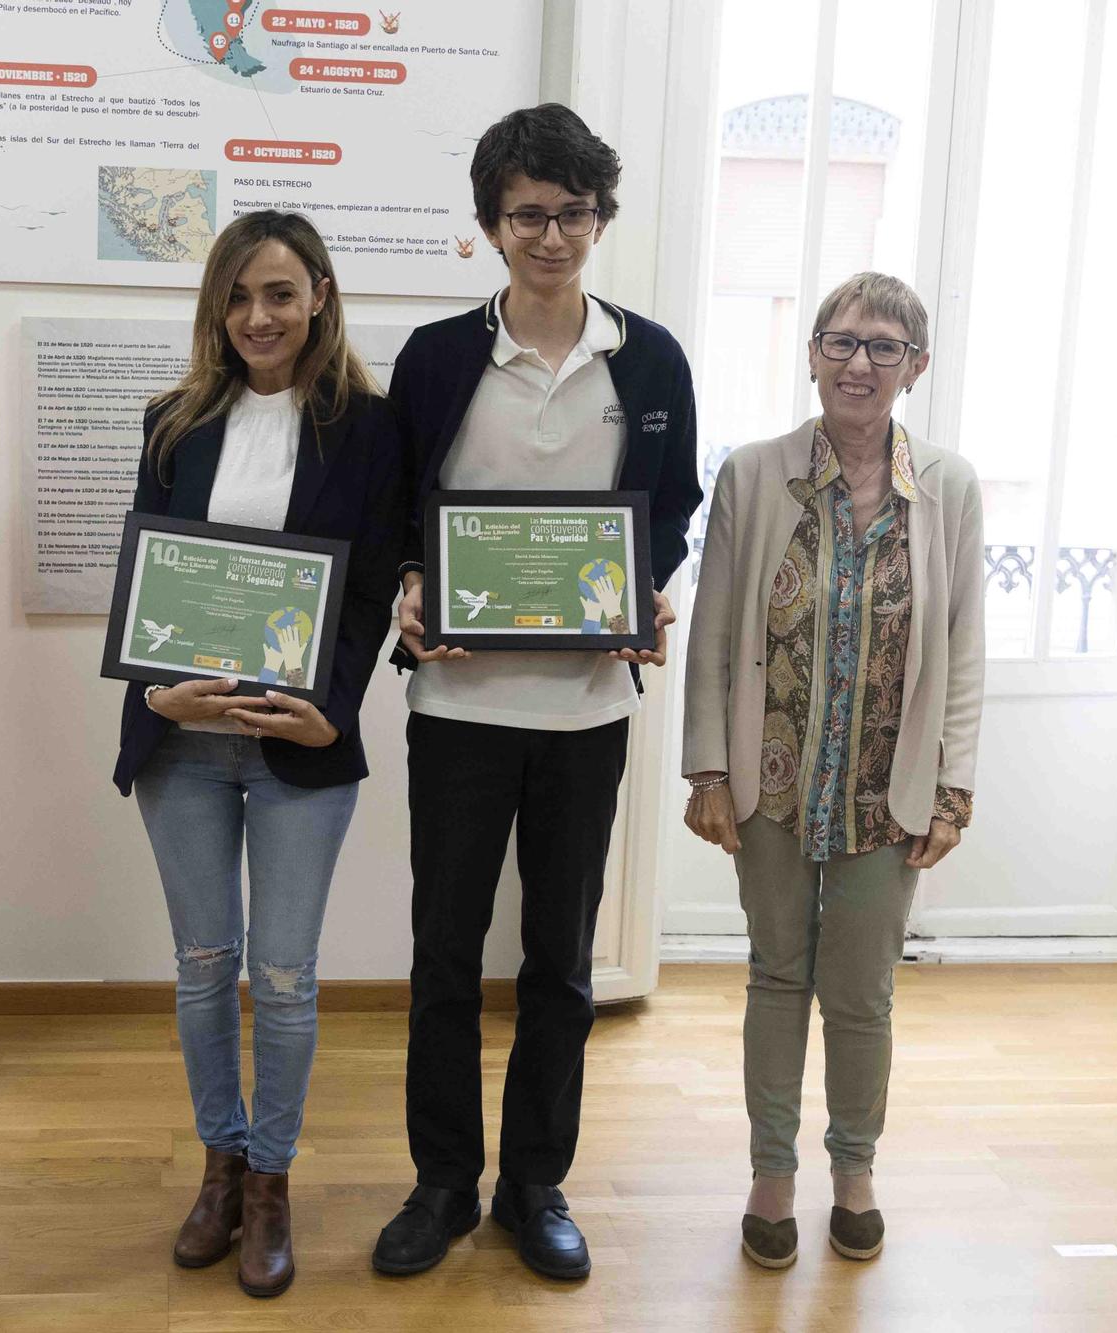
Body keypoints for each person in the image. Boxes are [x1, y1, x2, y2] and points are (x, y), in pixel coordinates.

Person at [370, 104, 702, 1282]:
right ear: (489, 225)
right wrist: (414, 585)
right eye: (526, 215)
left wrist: (646, 591)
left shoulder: (649, 357)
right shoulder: (436, 355)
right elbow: (403, 500)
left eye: (571, 213)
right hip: (457, 710)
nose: (549, 235)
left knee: (558, 962)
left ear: (598, 217)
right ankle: (441, 1184)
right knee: (444, 956)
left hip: (585, 713)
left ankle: (534, 1185)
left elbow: (665, 510)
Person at [111, 211, 404, 1298]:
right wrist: (155, 689)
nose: (257, 317)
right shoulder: (172, 422)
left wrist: (333, 708)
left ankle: (271, 1179)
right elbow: (142, 583)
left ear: (319, 295)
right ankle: (219, 1162)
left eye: (278, 293)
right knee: (201, 969)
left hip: (297, 747)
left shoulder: (370, 432)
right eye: (237, 298)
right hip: (183, 742)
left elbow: (371, 588)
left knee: (281, 977)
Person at [682, 272, 985, 1269]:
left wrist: (952, 784)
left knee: (860, 992)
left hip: (883, 787)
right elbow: (715, 632)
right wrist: (706, 772)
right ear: (809, 353)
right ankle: (772, 1175)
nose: (858, 363)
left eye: (882, 347)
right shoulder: (751, 474)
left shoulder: (948, 485)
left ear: (915, 366)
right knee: (776, 975)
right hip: (768, 779)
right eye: (840, 342)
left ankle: (852, 1170)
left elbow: (961, 644)